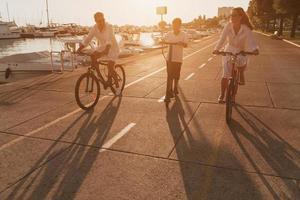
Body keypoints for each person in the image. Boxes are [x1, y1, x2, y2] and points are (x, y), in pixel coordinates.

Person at [213, 7, 259, 103]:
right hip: (229, 49)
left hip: (241, 51)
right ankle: (222, 94)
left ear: (240, 16)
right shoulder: (228, 26)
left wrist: (255, 49)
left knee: (238, 70)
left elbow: (251, 41)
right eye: (231, 15)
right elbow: (222, 39)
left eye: (234, 15)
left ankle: (234, 93)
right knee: (225, 74)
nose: (232, 17)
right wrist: (216, 49)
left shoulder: (246, 28)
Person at [77, 12, 120, 88]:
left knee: (110, 67)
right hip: (102, 47)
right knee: (93, 56)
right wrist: (79, 49)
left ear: (104, 19)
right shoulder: (95, 28)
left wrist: (106, 50)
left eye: (102, 20)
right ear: (95, 21)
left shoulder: (109, 26)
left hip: (113, 48)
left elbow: (109, 40)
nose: (101, 22)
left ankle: (117, 86)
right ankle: (101, 78)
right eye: (98, 21)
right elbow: (88, 39)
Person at [161, 18, 188, 103]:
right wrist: (161, 41)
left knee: (176, 75)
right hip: (169, 58)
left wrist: (182, 43)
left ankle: (175, 87)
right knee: (169, 75)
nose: (175, 26)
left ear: (180, 25)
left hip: (178, 58)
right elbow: (163, 39)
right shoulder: (169, 33)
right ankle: (168, 93)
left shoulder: (183, 34)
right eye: (174, 24)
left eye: (177, 24)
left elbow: (186, 44)